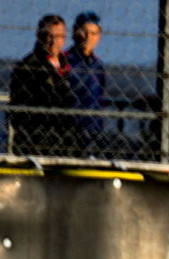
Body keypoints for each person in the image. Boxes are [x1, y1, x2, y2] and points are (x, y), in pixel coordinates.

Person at [9, 14, 78, 156]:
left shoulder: (67, 65)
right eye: (49, 35)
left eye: (59, 36)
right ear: (39, 36)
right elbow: (20, 109)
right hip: (36, 140)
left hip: (63, 139)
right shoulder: (28, 67)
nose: (54, 41)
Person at [64, 12, 107, 155]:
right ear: (75, 33)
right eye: (85, 32)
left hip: (93, 127)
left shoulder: (97, 65)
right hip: (69, 127)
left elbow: (99, 96)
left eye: (93, 33)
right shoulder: (65, 60)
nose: (89, 37)